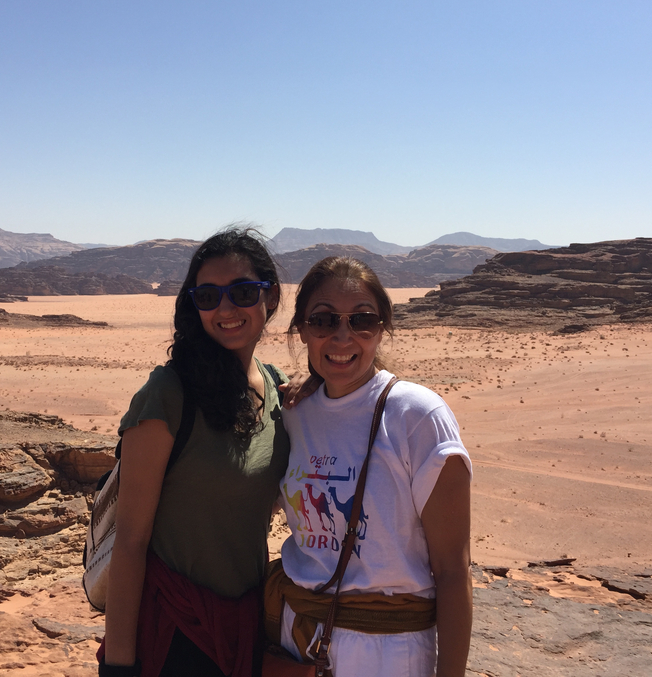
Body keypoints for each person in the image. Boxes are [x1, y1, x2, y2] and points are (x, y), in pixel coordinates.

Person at [266, 256, 473, 677]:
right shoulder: (292, 412)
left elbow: (453, 570)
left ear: (382, 328)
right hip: (297, 637)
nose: (343, 337)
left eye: (362, 320)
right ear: (302, 330)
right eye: (323, 321)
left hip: (387, 652)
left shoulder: (418, 416)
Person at [102, 229, 290, 677]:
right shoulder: (168, 394)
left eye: (243, 292)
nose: (226, 309)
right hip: (176, 632)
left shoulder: (279, 388)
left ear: (271, 297)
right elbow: (130, 543)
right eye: (208, 296)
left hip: (248, 623)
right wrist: (119, 668)